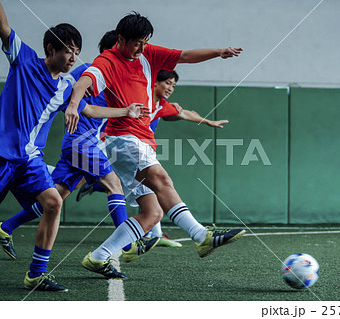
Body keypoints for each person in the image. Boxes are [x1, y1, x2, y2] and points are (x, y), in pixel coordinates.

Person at [0, 1, 138, 292]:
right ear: (51, 49)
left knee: (53, 202)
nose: (73, 56)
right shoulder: (24, 60)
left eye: (76, 51)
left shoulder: (65, 87)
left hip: (28, 160)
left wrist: (124, 112)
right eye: (67, 50)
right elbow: (3, 27)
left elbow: (87, 111)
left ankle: (36, 273)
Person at [65, 12, 246, 279]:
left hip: (139, 142)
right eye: (136, 42)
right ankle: (201, 236)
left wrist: (219, 51)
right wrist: (72, 106)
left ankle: (98, 257)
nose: (141, 48)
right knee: (162, 179)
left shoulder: (148, 54)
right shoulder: (108, 61)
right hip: (123, 139)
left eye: (145, 42)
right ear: (121, 38)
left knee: (152, 213)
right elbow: (83, 82)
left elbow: (185, 56)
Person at [0, 30, 153, 275]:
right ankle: (129, 244)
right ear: (111, 51)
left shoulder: (115, 77)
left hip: (82, 144)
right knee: (114, 185)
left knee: (57, 196)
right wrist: (73, 104)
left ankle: (6, 227)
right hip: (80, 142)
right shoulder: (88, 70)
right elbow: (67, 89)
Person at [78, 69, 229, 247]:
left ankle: (137, 242)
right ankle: (197, 235)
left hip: (129, 147)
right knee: (152, 183)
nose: (171, 88)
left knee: (153, 205)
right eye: (168, 83)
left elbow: (182, 113)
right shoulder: (139, 95)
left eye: (174, 85)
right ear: (154, 82)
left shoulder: (160, 105)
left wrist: (207, 121)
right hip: (114, 144)